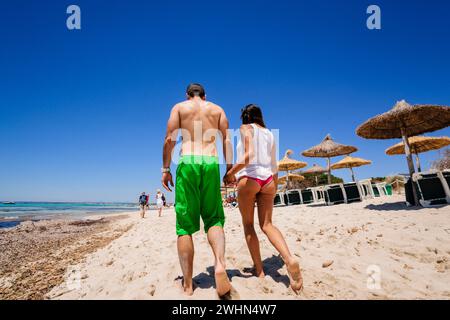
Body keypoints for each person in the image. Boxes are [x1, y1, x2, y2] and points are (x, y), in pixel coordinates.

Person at [161, 83, 234, 298]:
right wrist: (229, 168)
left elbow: (169, 139)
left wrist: (166, 169)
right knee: (213, 219)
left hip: (188, 161)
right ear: (204, 95)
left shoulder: (179, 108)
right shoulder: (217, 109)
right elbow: (227, 139)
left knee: (184, 226)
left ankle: (188, 284)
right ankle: (220, 265)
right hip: (211, 162)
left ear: (187, 95)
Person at [223, 104, 303, 294]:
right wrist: (273, 186)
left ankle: (259, 271)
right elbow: (274, 165)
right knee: (267, 224)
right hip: (268, 179)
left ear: (245, 117)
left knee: (249, 225)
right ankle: (289, 259)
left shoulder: (245, 128)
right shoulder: (269, 133)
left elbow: (249, 155)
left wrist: (229, 173)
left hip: (249, 178)